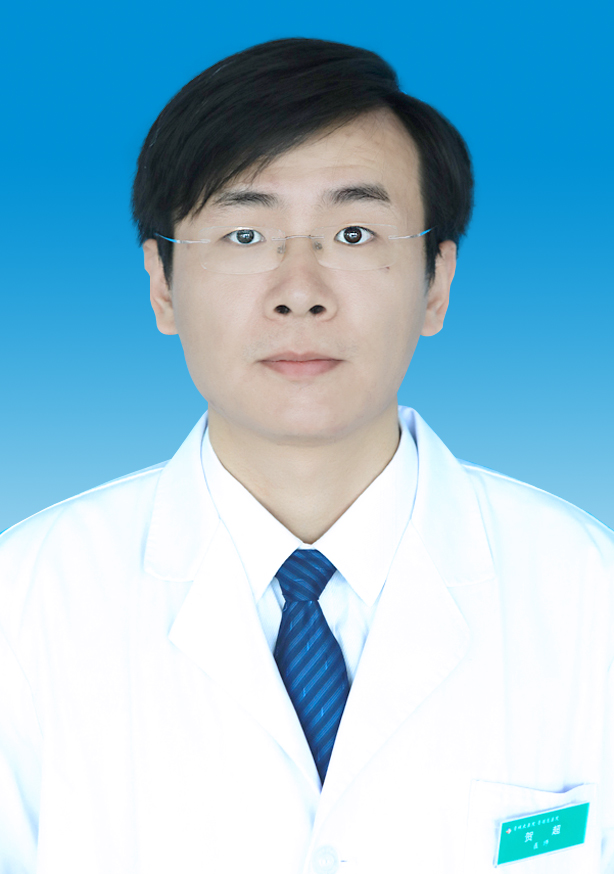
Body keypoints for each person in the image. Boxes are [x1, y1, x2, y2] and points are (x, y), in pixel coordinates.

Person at [0, 37, 612, 874]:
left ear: (436, 283)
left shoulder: (587, 594)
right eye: (245, 234)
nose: (299, 291)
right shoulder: (26, 602)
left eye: (353, 233)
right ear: (162, 285)